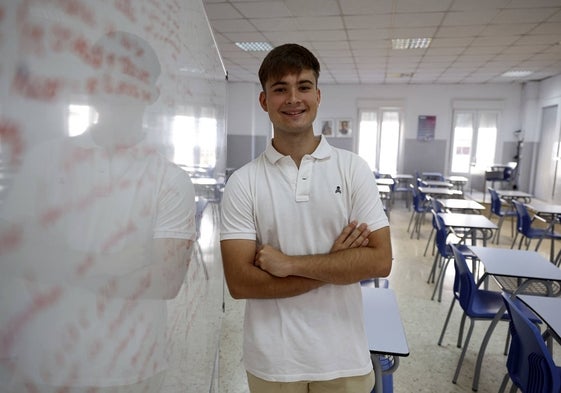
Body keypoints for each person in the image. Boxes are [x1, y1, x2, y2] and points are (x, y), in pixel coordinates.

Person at [0, 31, 196, 393]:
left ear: (150, 93)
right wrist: (113, 263)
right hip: (45, 365)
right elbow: (11, 254)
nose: (117, 88)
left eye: (130, 77)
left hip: (133, 369)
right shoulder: (45, 161)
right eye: (109, 75)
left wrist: (57, 262)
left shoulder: (169, 179)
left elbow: (165, 282)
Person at [220, 43, 392, 393]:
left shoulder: (353, 169)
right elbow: (240, 283)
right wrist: (336, 265)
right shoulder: (243, 182)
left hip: (344, 359)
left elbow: (380, 261)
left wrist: (287, 264)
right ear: (264, 101)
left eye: (303, 86)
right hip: (273, 364)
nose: (293, 98)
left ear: (318, 95)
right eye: (280, 89)